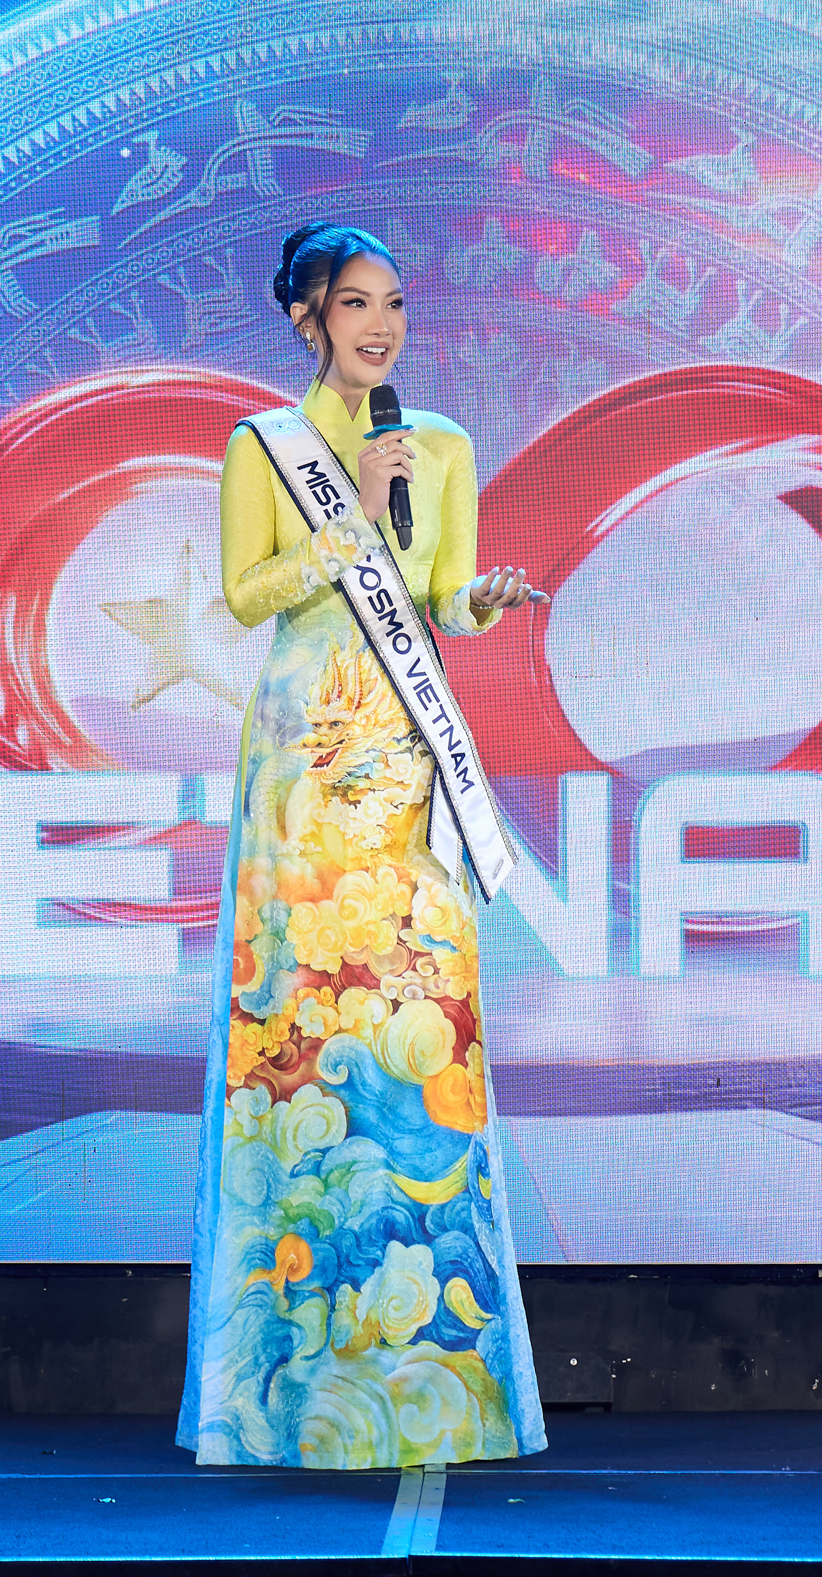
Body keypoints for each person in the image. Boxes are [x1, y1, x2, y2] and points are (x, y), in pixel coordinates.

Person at [176, 221, 549, 1469]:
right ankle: (283, 1385)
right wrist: (343, 526)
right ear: (307, 318)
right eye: (354, 303)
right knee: (300, 1037)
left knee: (418, 1033)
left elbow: (437, 596)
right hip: (302, 769)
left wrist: (478, 600)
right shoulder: (263, 447)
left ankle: (434, 1367)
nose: (380, 325)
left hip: (403, 762)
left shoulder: (439, 444)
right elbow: (246, 595)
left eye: (393, 301)